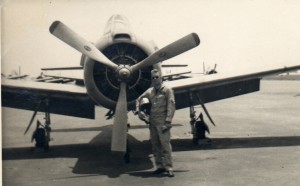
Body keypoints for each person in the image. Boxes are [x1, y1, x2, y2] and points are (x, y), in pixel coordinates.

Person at [136, 69, 176, 177]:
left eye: (157, 77)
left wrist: (168, 121)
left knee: (165, 145)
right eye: (153, 78)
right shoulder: (150, 91)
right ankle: (159, 166)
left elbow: (171, 106)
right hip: (152, 122)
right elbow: (139, 99)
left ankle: (169, 167)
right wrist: (139, 111)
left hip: (163, 121)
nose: (155, 79)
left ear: (161, 77)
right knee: (155, 145)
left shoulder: (167, 90)